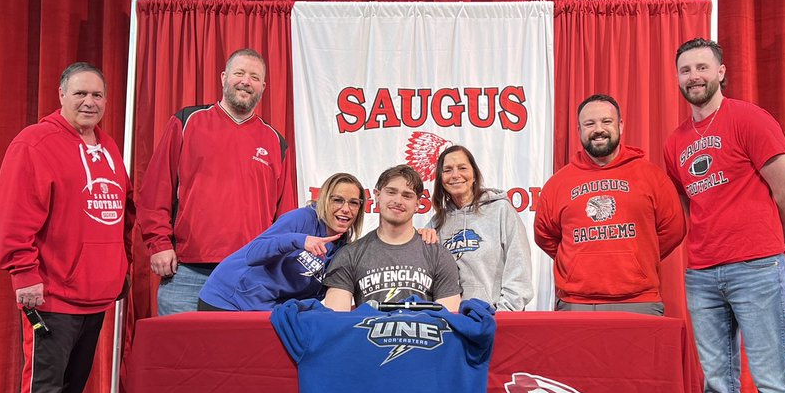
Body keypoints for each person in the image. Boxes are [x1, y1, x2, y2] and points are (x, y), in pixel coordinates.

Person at [662, 37, 785, 393]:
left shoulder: (750, 119)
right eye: (685, 70)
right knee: (719, 383)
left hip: (757, 268)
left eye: (702, 67)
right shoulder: (675, 142)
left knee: (774, 383)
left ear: (722, 71)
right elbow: (689, 207)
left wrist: (770, 248)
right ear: (678, 78)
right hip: (702, 273)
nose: (693, 76)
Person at [0, 62, 133, 393]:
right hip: (51, 293)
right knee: (46, 388)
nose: (89, 102)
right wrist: (23, 274)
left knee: (70, 388)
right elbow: (14, 214)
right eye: (80, 94)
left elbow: (118, 213)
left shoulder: (108, 146)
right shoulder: (34, 144)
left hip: (95, 294)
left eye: (97, 95)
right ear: (60, 95)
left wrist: (119, 270)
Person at [137, 48, 288, 315]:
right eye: (239, 73)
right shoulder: (187, 122)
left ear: (263, 86)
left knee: (237, 357)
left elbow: (284, 216)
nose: (245, 81)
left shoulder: (275, 141)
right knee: (179, 356)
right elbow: (155, 191)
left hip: (248, 277)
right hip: (186, 273)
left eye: (254, 77)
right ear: (223, 77)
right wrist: (159, 244)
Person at [533, 94, 685, 313]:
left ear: (620, 126)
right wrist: (578, 261)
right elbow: (544, 234)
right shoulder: (558, 183)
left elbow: (674, 228)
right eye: (589, 123)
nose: (598, 129)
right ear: (579, 130)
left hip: (638, 301)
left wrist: (639, 257)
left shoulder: (651, 176)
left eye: (606, 121)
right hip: (576, 302)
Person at [197, 173, 366, 311]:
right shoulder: (303, 218)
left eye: (353, 203)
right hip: (226, 299)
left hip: (263, 310)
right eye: (337, 200)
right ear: (324, 200)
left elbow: (312, 295)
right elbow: (254, 253)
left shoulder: (342, 250)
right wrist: (300, 240)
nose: (346, 209)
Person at [322, 165, 462, 312]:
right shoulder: (349, 255)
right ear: (377, 195)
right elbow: (336, 320)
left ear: (418, 204)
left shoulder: (438, 255)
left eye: (407, 195)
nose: (398, 201)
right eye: (391, 192)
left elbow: (449, 322)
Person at [427, 145, 533, 311]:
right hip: (452, 322)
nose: (455, 175)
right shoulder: (436, 223)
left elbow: (519, 267)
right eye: (447, 170)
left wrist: (505, 313)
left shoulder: (500, 210)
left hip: (494, 318)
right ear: (441, 179)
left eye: (462, 168)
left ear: (474, 174)